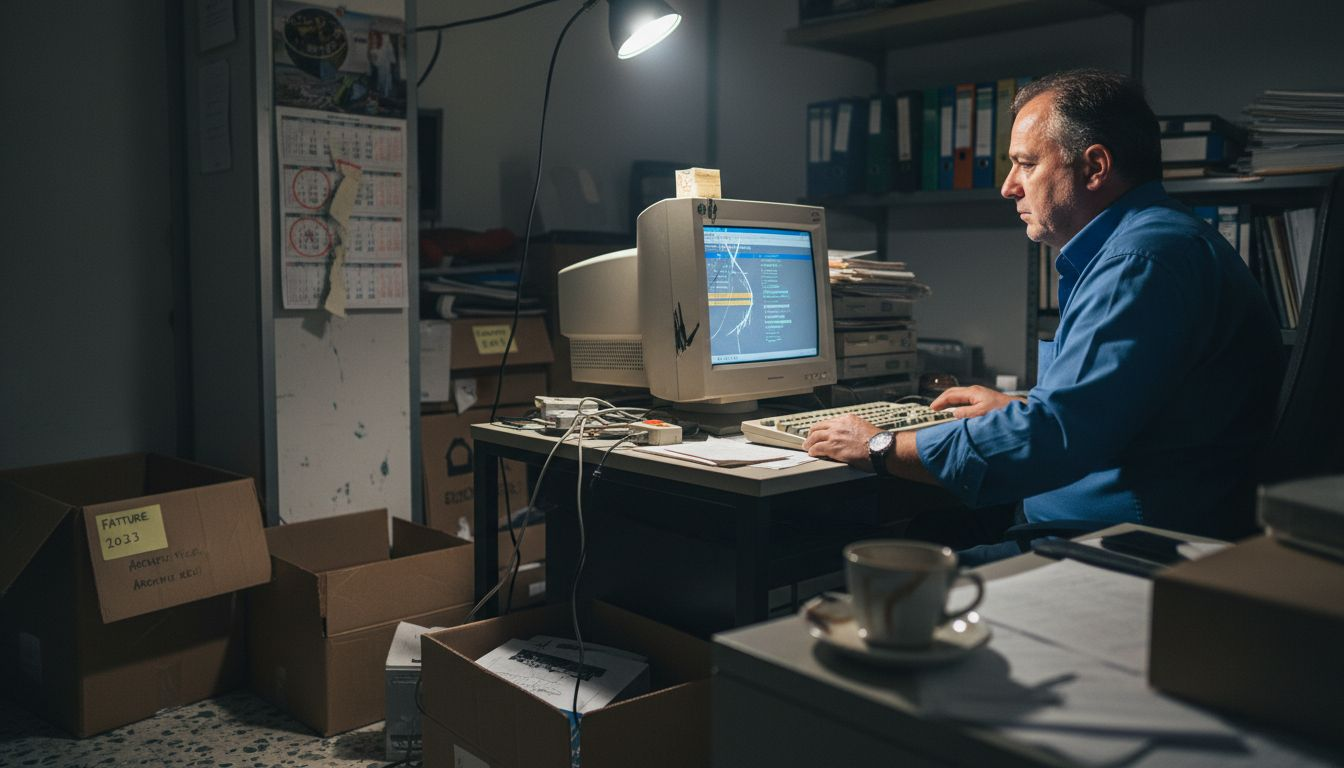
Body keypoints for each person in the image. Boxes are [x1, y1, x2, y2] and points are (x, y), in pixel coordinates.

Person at [804, 69, 1282, 561]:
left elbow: (1056, 436)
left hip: (1123, 546)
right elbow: (1115, 405)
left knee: (876, 577)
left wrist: (883, 447)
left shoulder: (1139, 262)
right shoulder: (1148, 244)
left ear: (1095, 167)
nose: (1009, 186)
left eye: (1026, 164)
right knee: (923, 532)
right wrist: (1020, 408)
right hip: (1083, 521)